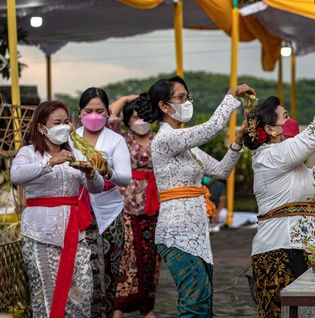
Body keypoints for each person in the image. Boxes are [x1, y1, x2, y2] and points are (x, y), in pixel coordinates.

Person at [244, 55, 315, 318]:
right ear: (270, 130)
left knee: (308, 314)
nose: (291, 120)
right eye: (285, 116)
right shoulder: (269, 156)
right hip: (278, 250)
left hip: (305, 247)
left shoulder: (289, 160)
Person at [135, 76, 253, 317]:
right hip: (177, 231)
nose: (187, 101)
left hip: (197, 230)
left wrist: (238, 142)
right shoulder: (165, 139)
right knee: (195, 303)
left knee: (202, 301)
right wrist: (230, 98)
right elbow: (211, 128)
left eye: (188, 97)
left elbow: (221, 171)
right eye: (180, 97)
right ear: (164, 106)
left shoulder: (187, 146)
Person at [11, 101, 104, 317]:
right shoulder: (29, 153)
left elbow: (96, 188)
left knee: (81, 291)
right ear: (42, 128)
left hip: (74, 233)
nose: (63, 126)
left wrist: (91, 174)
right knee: (46, 295)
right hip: (40, 234)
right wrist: (51, 162)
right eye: (56, 123)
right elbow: (17, 176)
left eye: (65, 122)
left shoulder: (75, 154)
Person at [75, 87, 132, 318]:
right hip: (77, 214)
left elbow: (125, 177)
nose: (94, 115)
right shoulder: (70, 139)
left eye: (99, 111)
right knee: (82, 275)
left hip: (109, 214)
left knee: (108, 275)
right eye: (89, 110)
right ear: (80, 112)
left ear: (108, 113)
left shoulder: (115, 140)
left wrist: (106, 170)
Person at [108, 95, 160, 318]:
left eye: (144, 115)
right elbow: (111, 115)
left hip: (155, 203)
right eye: (135, 116)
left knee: (152, 256)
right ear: (128, 120)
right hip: (127, 203)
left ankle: (147, 306)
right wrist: (130, 98)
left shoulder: (159, 138)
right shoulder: (121, 138)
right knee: (127, 255)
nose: (140, 120)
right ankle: (119, 306)